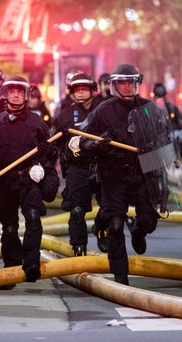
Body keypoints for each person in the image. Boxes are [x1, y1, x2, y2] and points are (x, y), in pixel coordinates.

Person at [76, 64, 160, 285]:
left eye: (130, 82)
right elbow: (82, 139)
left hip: (142, 174)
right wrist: (97, 145)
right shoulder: (102, 110)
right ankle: (120, 275)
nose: (127, 87)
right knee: (115, 224)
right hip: (114, 174)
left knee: (149, 221)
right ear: (114, 85)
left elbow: (163, 140)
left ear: (137, 84)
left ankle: (139, 231)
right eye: (122, 83)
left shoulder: (149, 108)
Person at [0, 76, 59, 290]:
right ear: (6, 94)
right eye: (12, 91)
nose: (15, 95)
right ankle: (11, 269)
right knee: (9, 228)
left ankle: (32, 262)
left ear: (26, 95)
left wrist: (47, 155)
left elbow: (51, 151)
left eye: (19, 91)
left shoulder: (36, 122)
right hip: (4, 182)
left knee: (33, 218)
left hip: (29, 180)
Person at [52, 72, 101, 256]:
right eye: (76, 90)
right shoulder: (64, 116)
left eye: (84, 89)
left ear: (92, 90)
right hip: (77, 169)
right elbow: (51, 141)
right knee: (77, 210)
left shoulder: (103, 111)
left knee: (111, 209)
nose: (80, 93)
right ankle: (78, 248)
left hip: (102, 168)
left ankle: (101, 228)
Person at [152, 82, 182, 158]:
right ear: (154, 97)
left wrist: (177, 134)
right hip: (156, 146)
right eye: (158, 98)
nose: (160, 100)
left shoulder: (172, 108)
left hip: (172, 143)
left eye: (162, 97)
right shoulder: (149, 110)